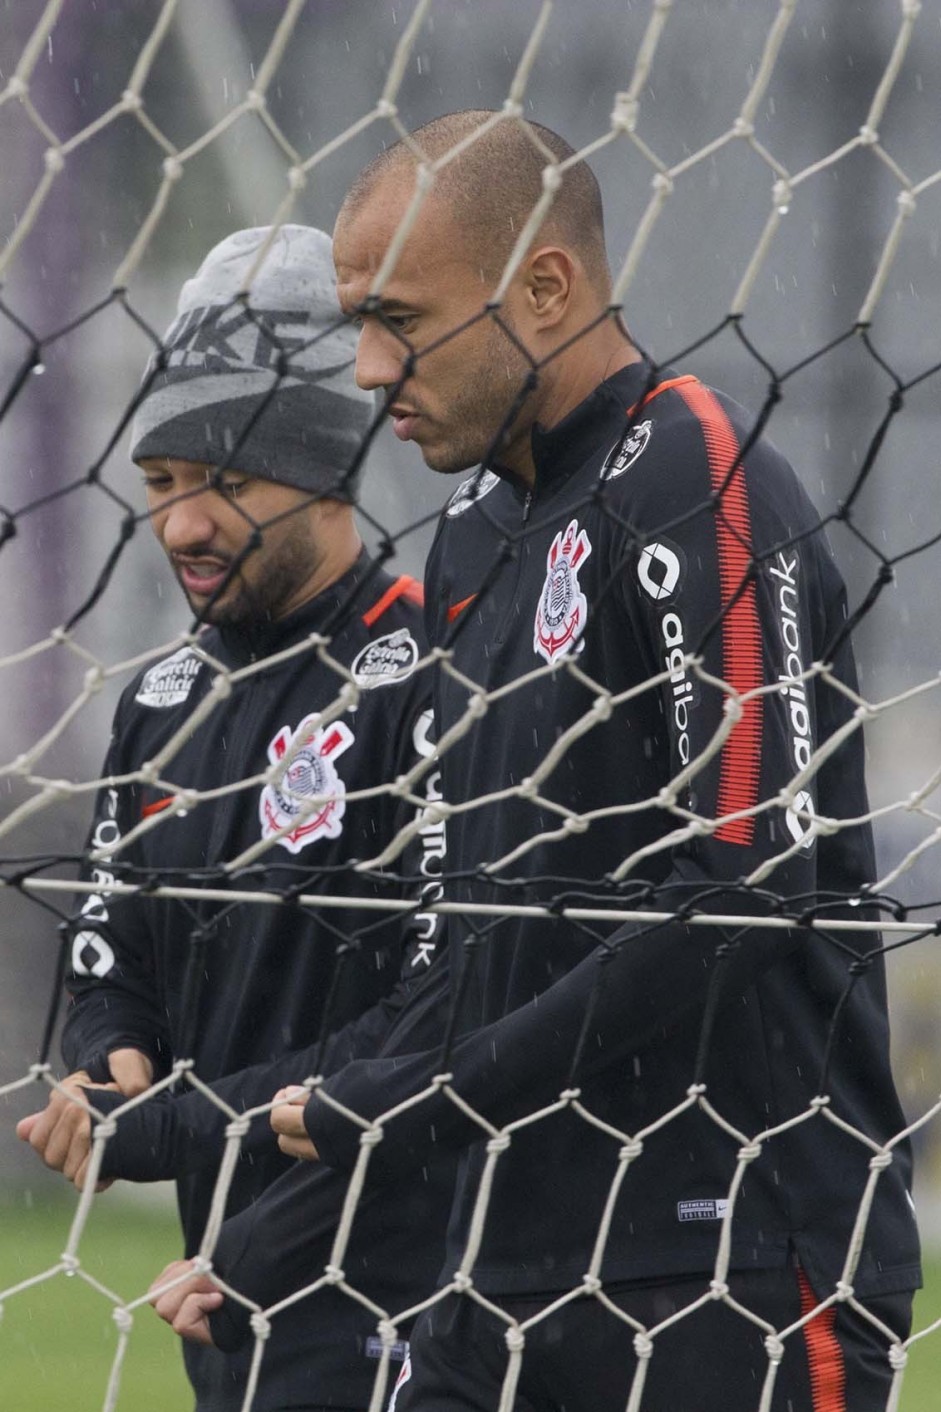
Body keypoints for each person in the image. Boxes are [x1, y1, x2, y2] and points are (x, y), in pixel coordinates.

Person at [150, 117, 921, 1411]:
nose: (367, 366)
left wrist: (439, 1096)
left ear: (546, 289)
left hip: (729, 1260)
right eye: (355, 320)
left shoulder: (688, 465)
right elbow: (472, 950)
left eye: (400, 318)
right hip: (495, 1280)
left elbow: (744, 890)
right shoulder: (466, 542)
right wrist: (280, 1237)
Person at [15, 224, 453, 1412]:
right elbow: (110, 951)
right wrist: (107, 1068)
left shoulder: (431, 675)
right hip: (220, 1291)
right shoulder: (158, 702)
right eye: (161, 484)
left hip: (417, 1292)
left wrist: (182, 1123)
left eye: (226, 483)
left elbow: (437, 1008)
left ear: (324, 472)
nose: (183, 526)